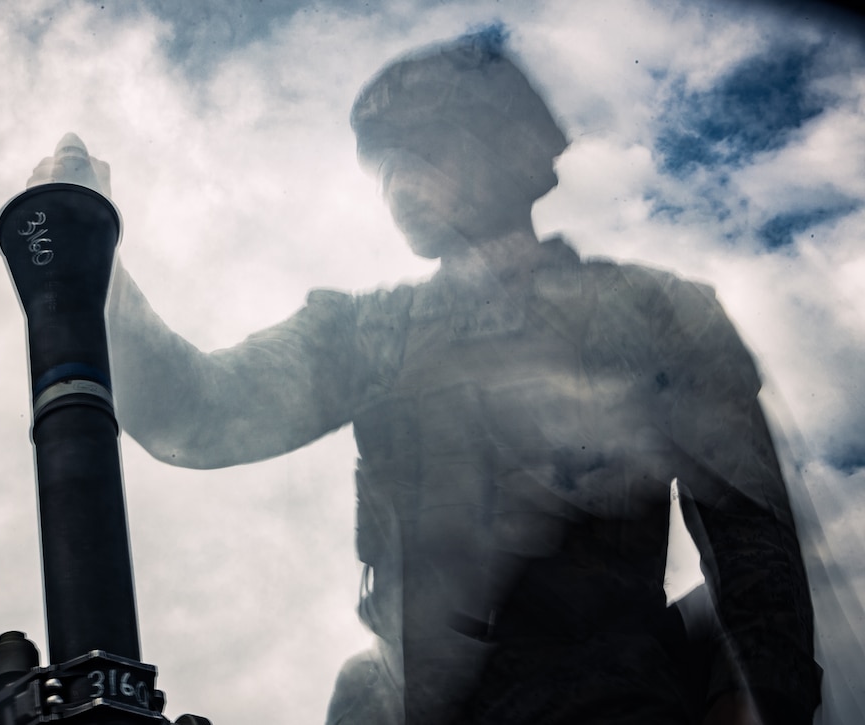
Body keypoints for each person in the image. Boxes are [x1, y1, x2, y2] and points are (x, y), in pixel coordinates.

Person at [104, 27, 821, 725]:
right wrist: (89, 257)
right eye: (385, 164)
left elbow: (752, 539)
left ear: (509, 149)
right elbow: (191, 417)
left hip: (607, 699)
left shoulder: (652, 312)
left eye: (428, 149)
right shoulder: (368, 332)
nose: (398, 183)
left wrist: (755, 697)